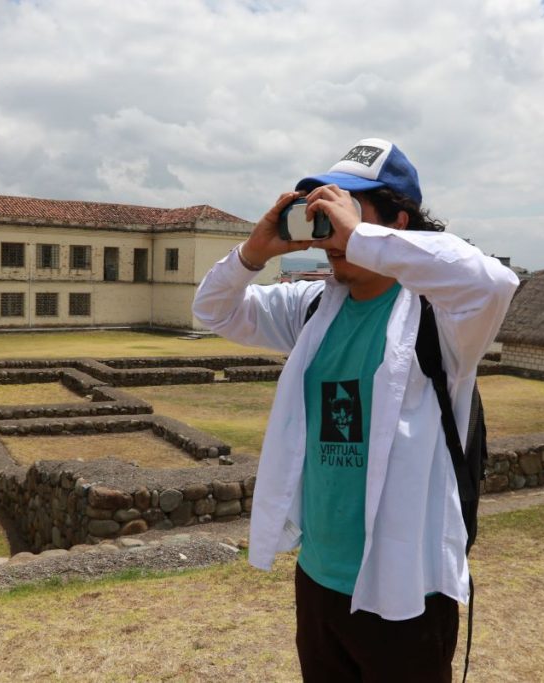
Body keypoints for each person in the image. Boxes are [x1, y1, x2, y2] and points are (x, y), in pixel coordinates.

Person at [192, 138, 519, 682]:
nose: (330, 230)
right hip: (319, 574)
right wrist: (253, 253)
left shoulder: (443, 318)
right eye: (325, 210)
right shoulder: (314, 305)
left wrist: (365, 239)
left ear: (397, 218)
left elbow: (493, 282)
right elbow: (214, 310)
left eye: (349, 207)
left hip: (405, 585)